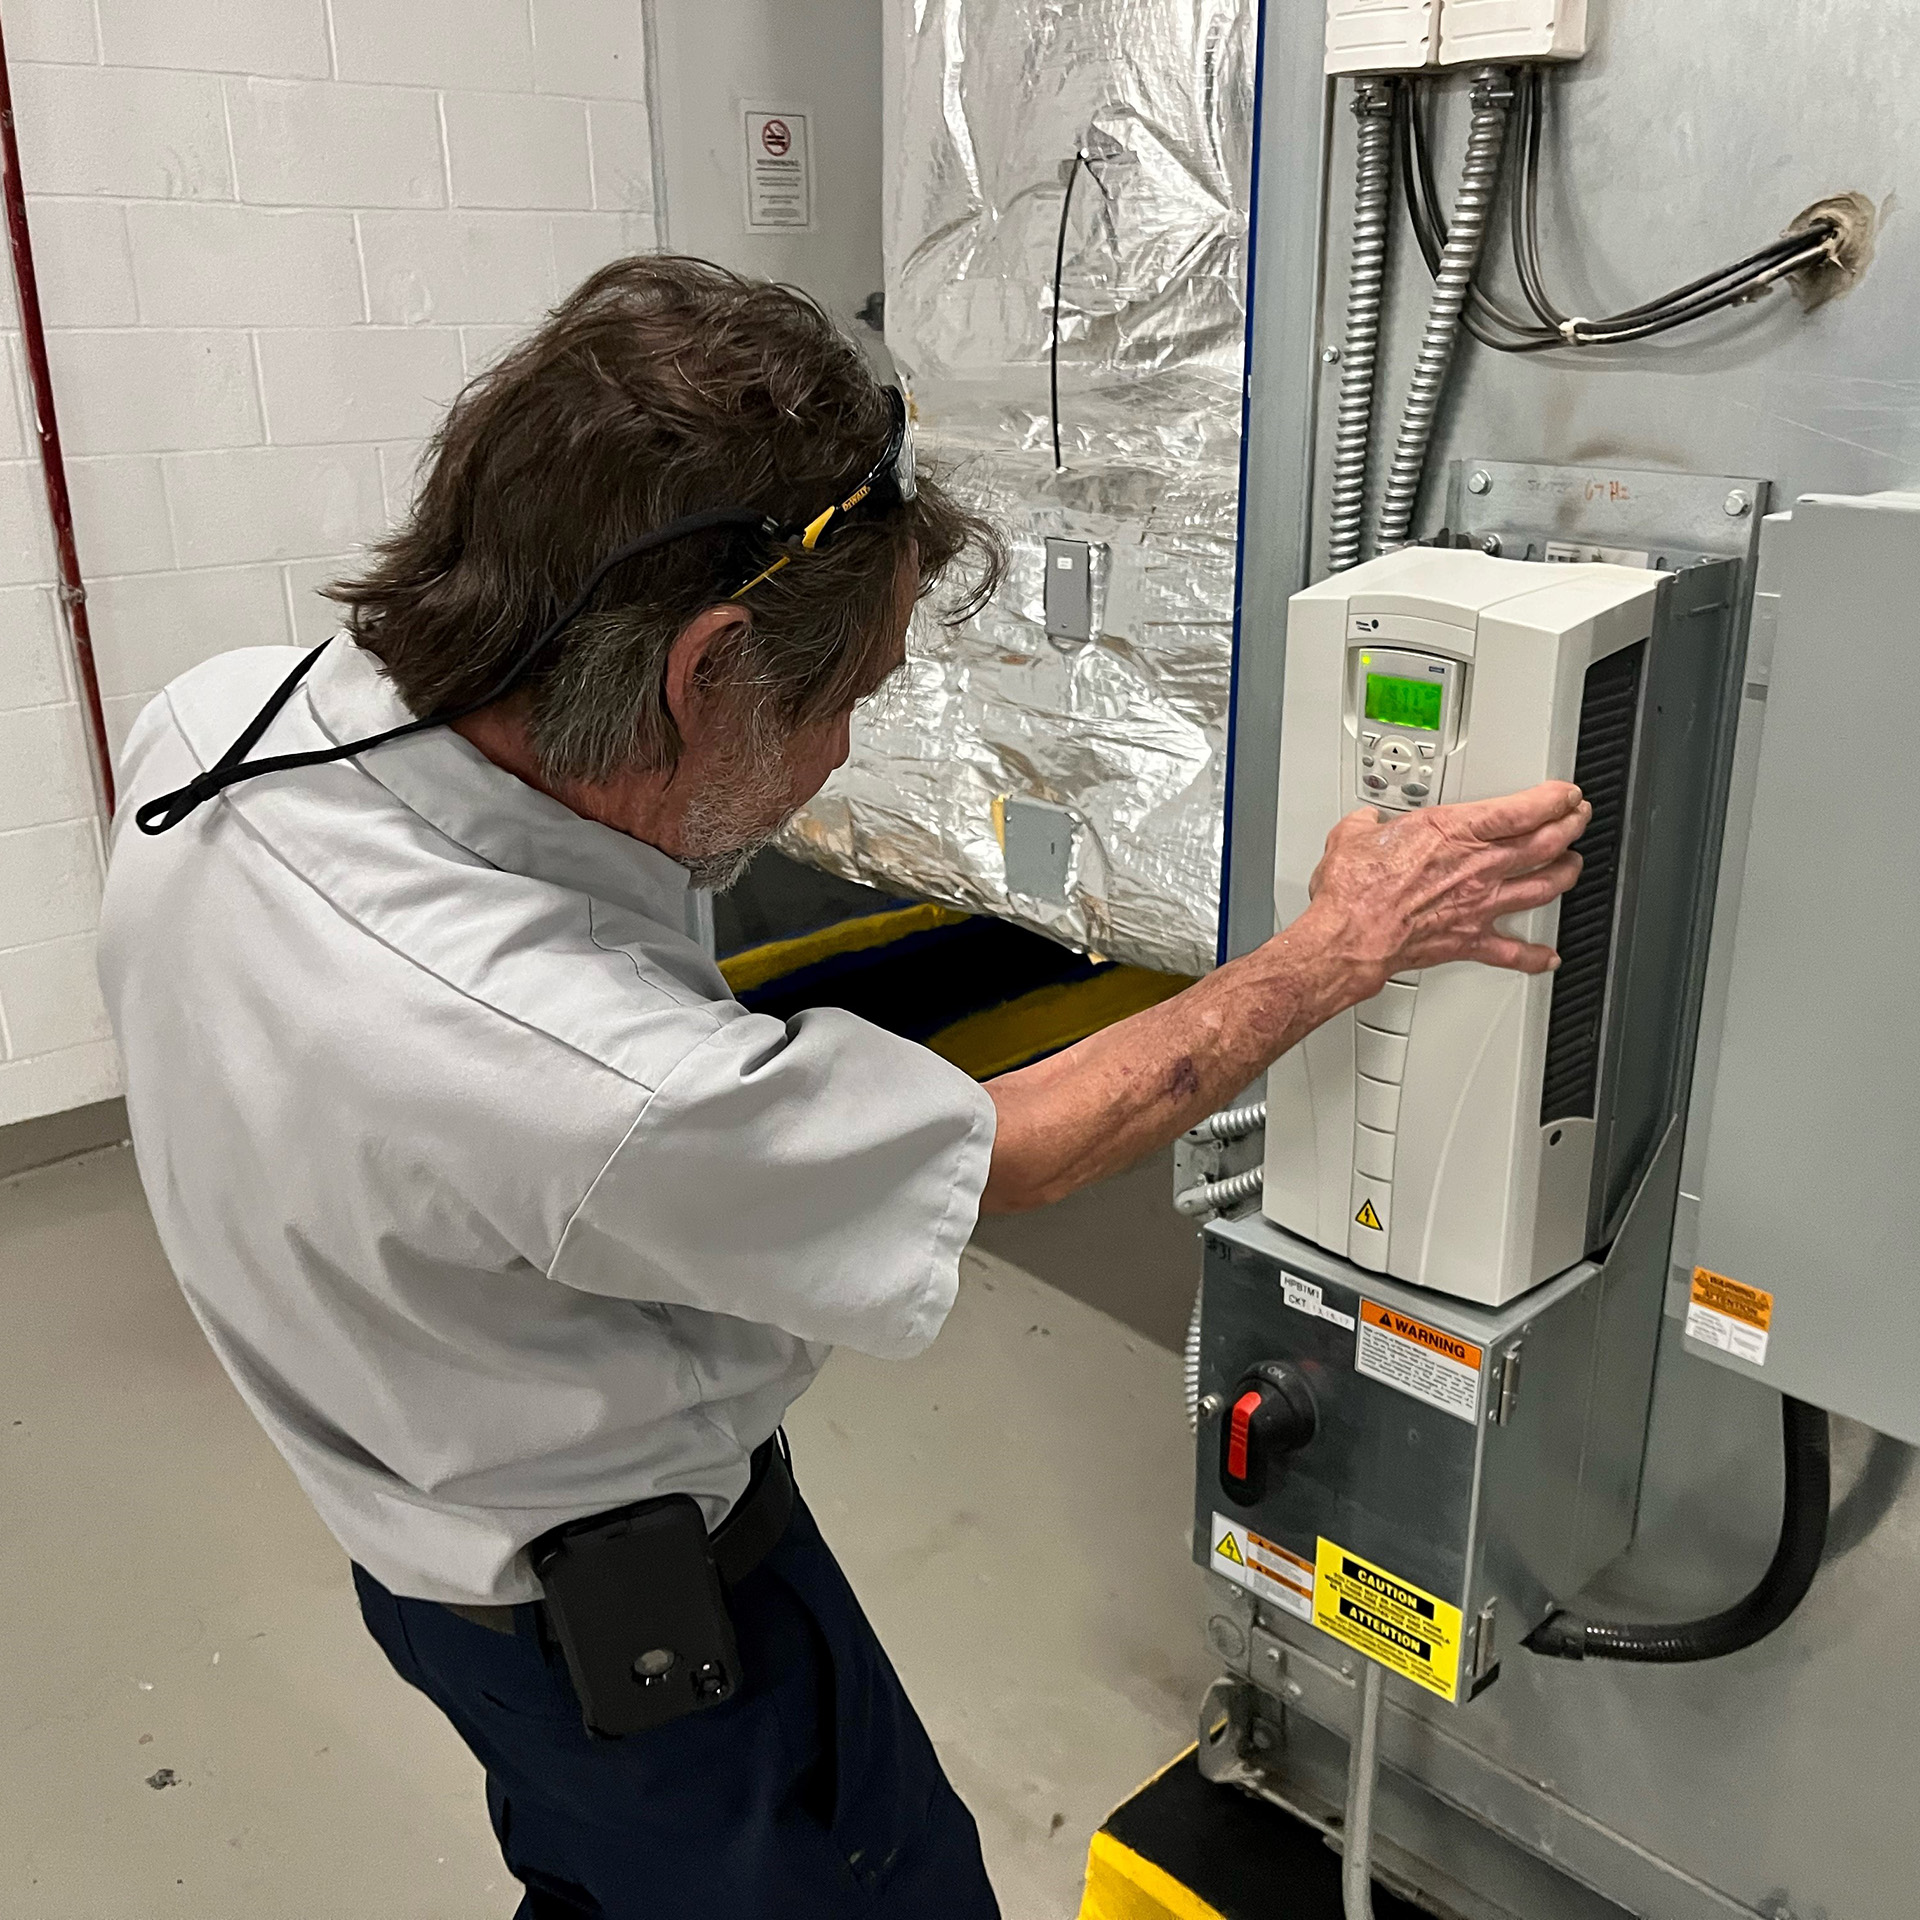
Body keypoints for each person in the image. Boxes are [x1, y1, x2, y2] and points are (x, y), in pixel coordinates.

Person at [97, 255, 1588, 1919]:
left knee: (595, 1883)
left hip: (410, 1540)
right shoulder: (585, 1080)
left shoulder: (215, 726)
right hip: (643, 1633)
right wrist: (1340, 947)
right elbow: (1015, 1152)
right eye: (850, 698)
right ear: (703, 664)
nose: (842, 753)